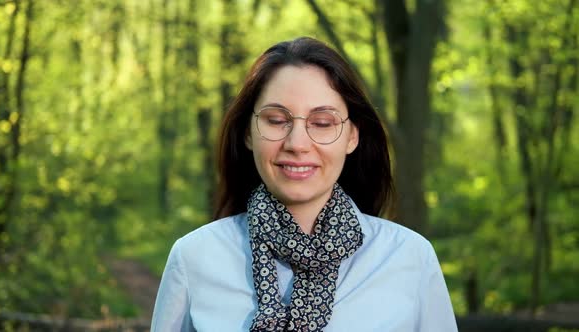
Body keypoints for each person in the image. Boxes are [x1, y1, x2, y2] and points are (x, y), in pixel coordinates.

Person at [151, 36, 458, 331]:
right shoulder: (194, 258)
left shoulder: (409, 258)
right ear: (248, 133)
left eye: (322, 123)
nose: (297, 143)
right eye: (276, 120)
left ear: (352, 136)